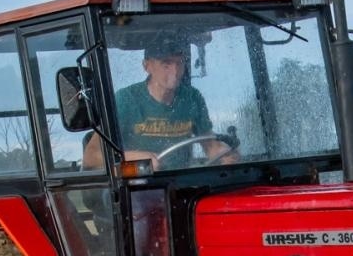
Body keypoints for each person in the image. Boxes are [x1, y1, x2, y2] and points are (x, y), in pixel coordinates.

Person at [83, 35, 239, 170]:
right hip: (138, 187)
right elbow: (91, 157)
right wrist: (131, 157)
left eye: (179, 63)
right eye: (166, 64)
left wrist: (226, 155)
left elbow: (210, 145)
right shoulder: (125, 100)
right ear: (147, 66)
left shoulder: (192, 98)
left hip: (183, 183)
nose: (175, 71)